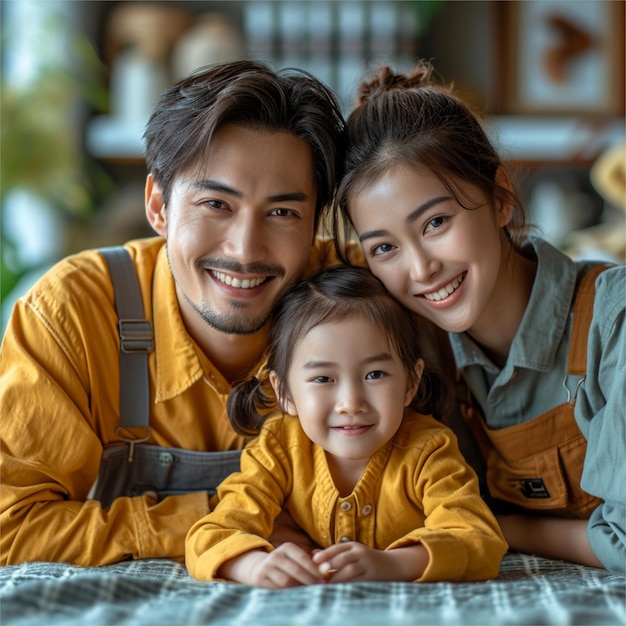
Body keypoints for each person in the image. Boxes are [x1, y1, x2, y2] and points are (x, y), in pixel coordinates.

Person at [0, 60, 350, 566]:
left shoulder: (359, 296)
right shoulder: (72, 314)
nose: (246, 249)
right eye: (216, 204)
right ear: (159, 206)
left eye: (281, 213)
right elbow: (11, 527)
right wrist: (223, 522)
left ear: (316, 225)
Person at [331, 60, 626, 574]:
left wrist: (500, 527)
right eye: (384, 248)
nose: (421, 269)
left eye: (436, 222)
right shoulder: (415, 348)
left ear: (500, 196)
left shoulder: (612, 320)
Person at [186, 265, 508, 588]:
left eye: (375, 375)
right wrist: (253, 566)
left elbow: (481, 539)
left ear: (411, 382)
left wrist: (392, 564)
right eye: (323, 378)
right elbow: (209, 535)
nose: (351, 403)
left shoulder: (429, 450)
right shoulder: (278, 448)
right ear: (284, 392)